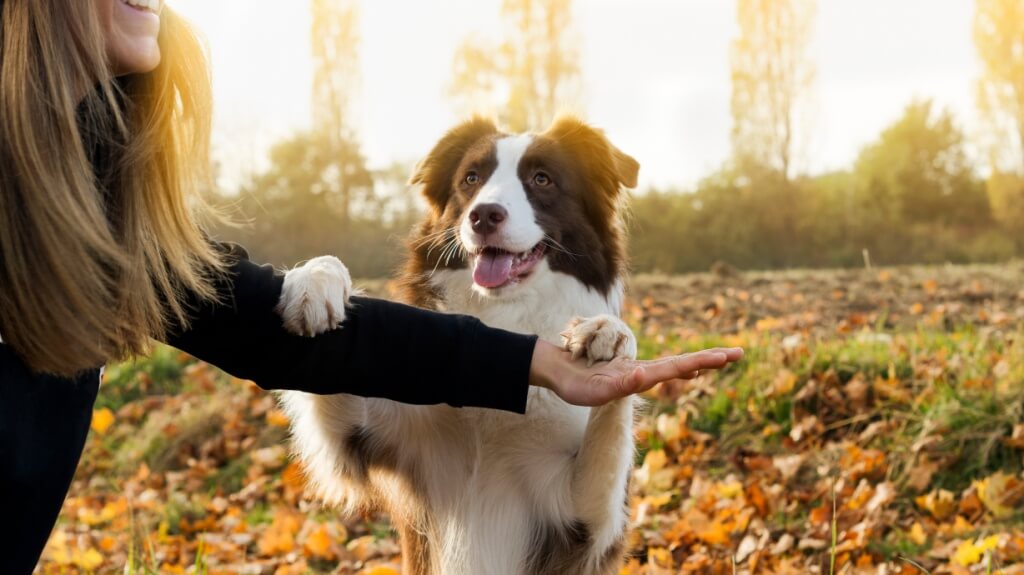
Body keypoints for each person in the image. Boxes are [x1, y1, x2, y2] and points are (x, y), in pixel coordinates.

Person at [0, 1, 743, 573]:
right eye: (476, 181)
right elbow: (341, 436)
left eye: (539, 182)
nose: (493, 202)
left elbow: (278, 332)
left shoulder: (100, 210)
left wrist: (551, 369)